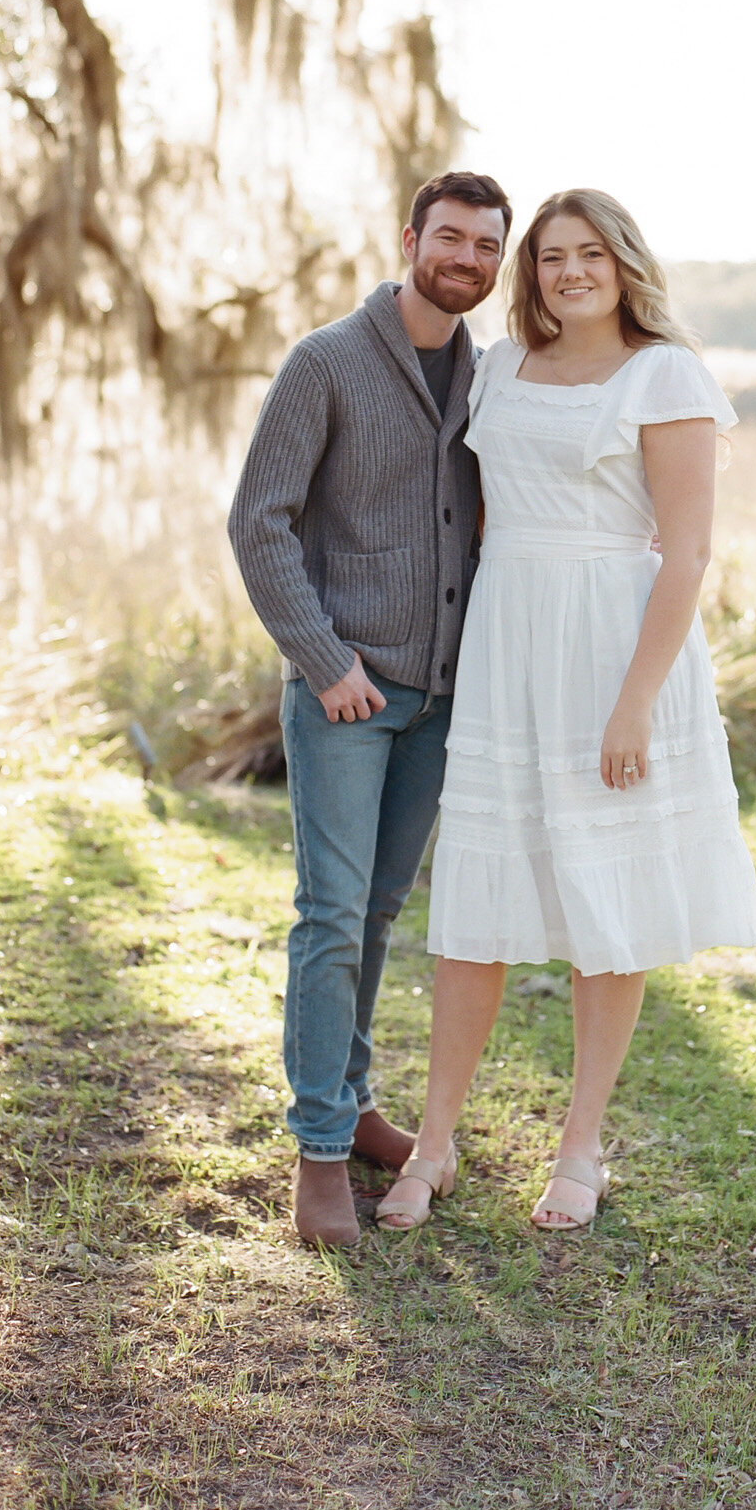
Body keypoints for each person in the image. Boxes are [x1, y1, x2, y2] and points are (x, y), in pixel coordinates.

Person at [376, 188, 756, 1234]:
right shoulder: (499, 368)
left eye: (590, 253)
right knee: (473, 902)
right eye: (551, 257)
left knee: (608, 904)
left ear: (624, 261)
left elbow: (684, 552)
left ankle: (581, 1143)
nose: (571, 272)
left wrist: (634, 702)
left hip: (614, 654)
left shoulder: (665, 372)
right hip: (510, 649)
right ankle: (436, 1141)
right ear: (533, 273)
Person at [228, 171, 512, 1248]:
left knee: (380, 913)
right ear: (410, 239)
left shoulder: (485, 377)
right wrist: (322, 655)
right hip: (349, 693)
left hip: (439, 699)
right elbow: (260, 522)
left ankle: (349, 1106)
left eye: (487, 246)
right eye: (451, 238)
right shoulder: (327, 362)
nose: (468, 259)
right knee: (330, 915)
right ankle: (315, 1151)